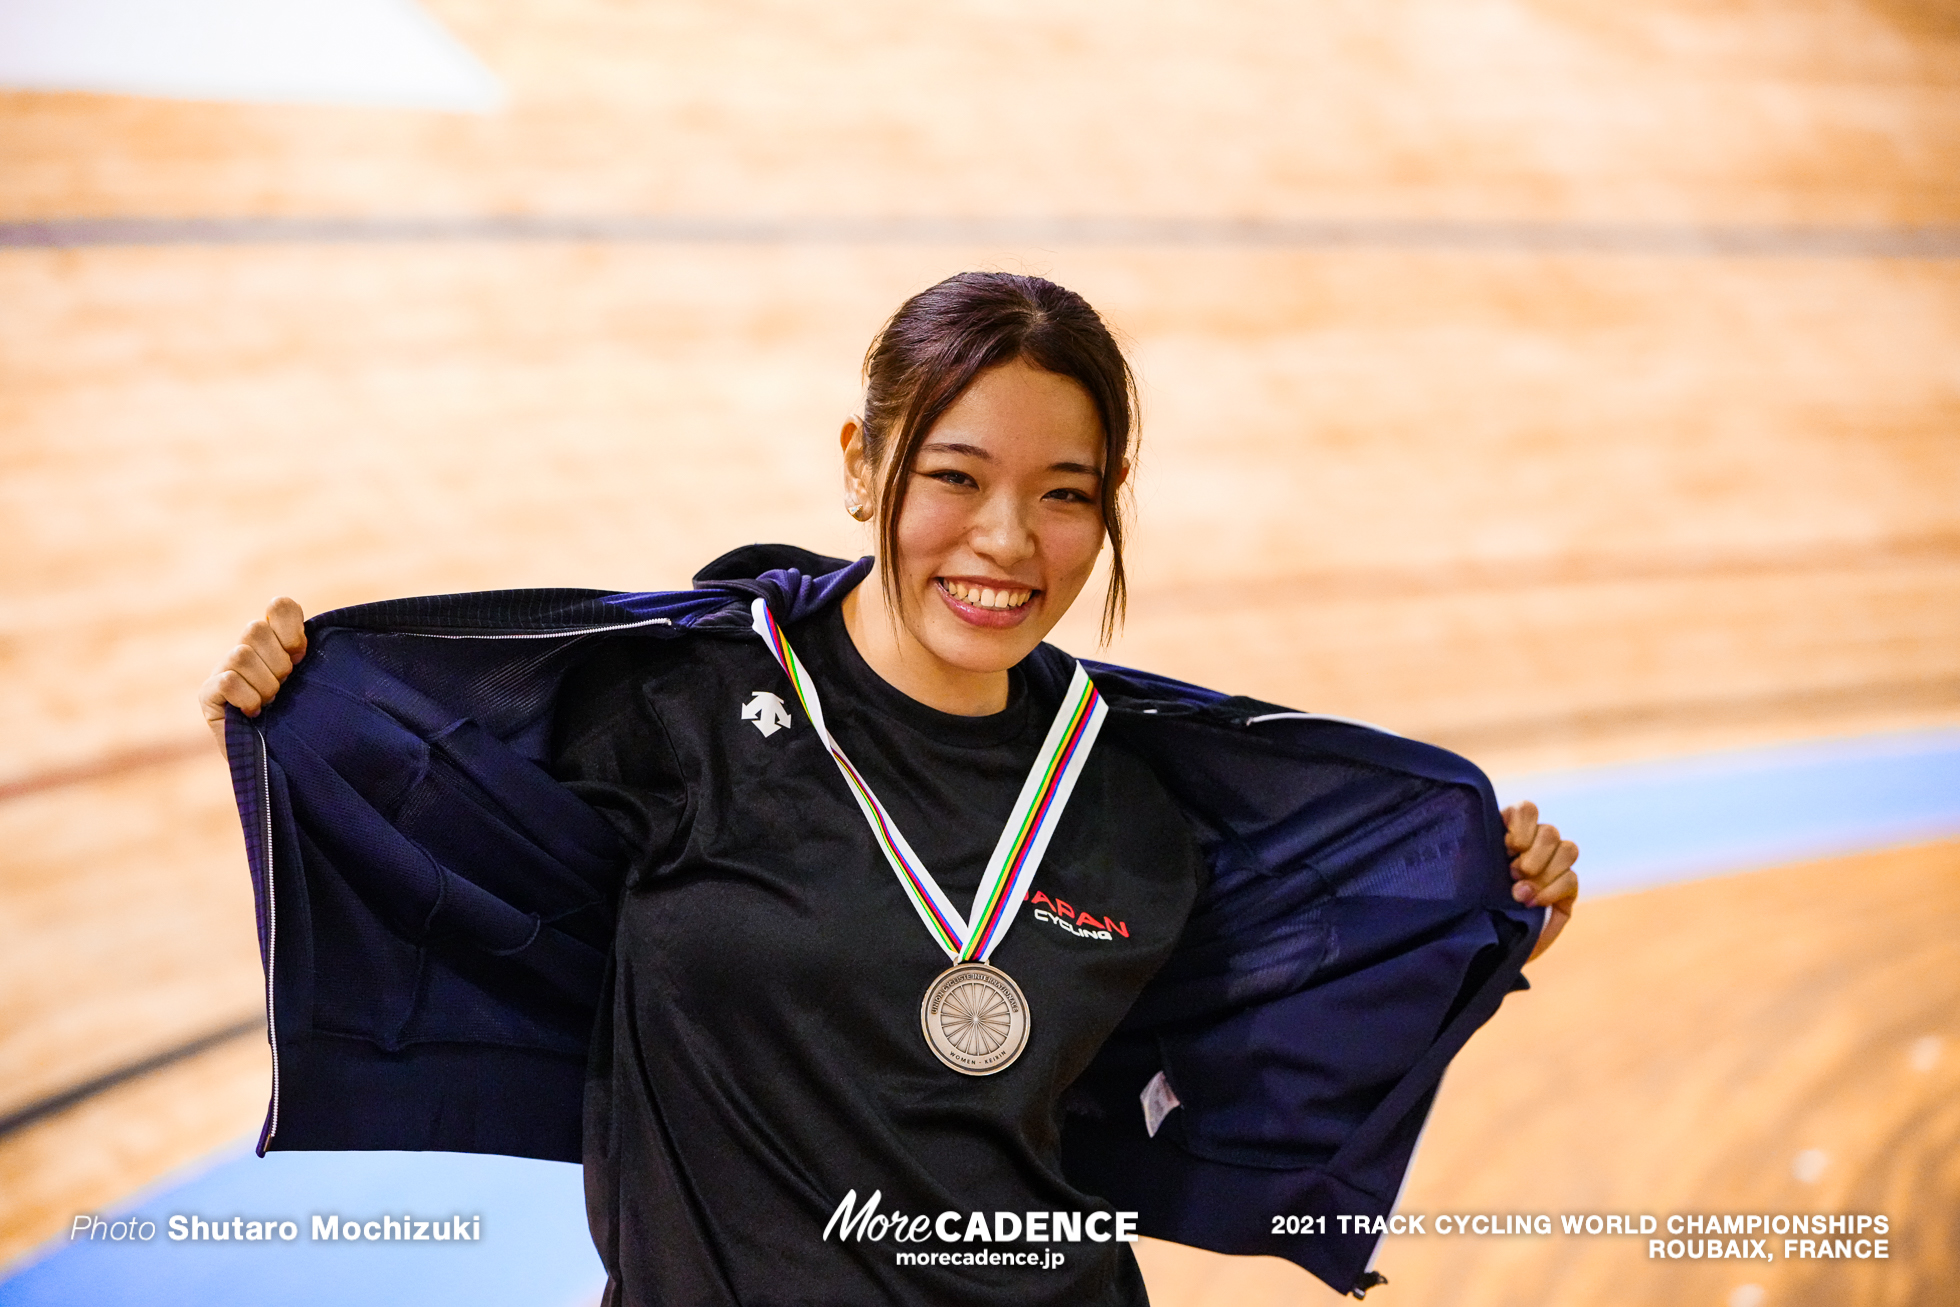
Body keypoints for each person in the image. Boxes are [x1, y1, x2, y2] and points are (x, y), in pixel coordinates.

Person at [198, 272, 1578, 1305]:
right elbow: (427, 805)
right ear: (862, 466)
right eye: (958, 476)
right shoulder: (675, 710)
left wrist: (1475, 910)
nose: (1007, 540)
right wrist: (294, 699)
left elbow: (1260, 1023)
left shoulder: (1139, 804)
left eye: (1066, 495)